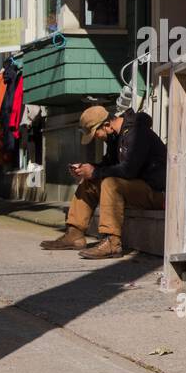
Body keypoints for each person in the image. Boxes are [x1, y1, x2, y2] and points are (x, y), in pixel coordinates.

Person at [40, 105, 167, 259]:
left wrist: (95, 172)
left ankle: (112, 243)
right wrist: (88, 169)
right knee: (89, 182)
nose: (96, 138)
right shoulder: (116, 137)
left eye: (96, 134)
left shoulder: (138, 133)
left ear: (106, 125)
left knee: (110, 183)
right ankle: (74, 234)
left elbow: (128, 171)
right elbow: (108, 165)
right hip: (136, 188)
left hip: (156, 193)